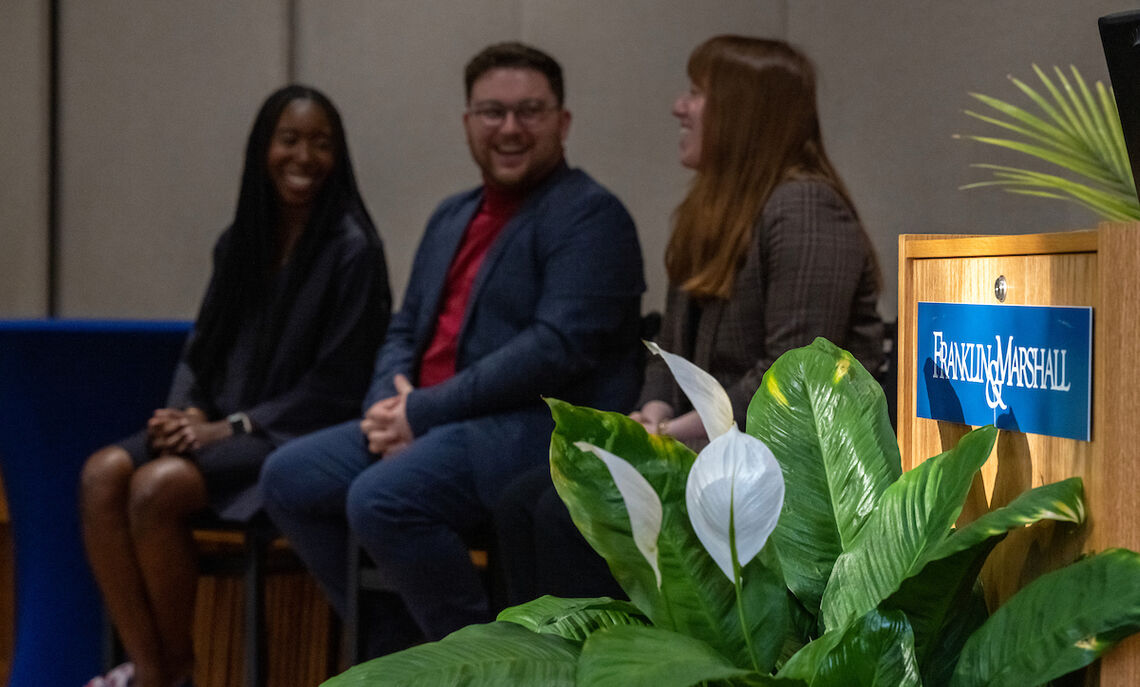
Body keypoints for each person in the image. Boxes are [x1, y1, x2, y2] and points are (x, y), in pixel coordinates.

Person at [258, 42, 645, 656]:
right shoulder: (451, 214)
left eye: (530, 111)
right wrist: (389, 405)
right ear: (467, 123)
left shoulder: (590, 216)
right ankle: (401, 652)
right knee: (288, 476)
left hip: (528, 424)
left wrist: (422, 413)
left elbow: (554, 349)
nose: (510, 128)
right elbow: (404, 328)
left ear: (563, 122)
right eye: (492, 112)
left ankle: (480, 660)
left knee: (383, 497)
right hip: (429, 420)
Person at [494, 35, 883, 605]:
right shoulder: (712, 208)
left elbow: (793, 378)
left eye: (698, 93)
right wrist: (653, 409)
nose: (680, 106)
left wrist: (670, 435)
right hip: (707, 448)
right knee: (519, 501)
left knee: (563, 514)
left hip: (783, 472)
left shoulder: (803, 209)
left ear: (746, 113)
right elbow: (669, 349)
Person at [79, 85, 391, 687]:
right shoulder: (239, 241)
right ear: (263, 149)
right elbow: (204, 349)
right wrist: (183, 412)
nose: (304, 156)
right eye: (290, 139)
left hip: (289, 439)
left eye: (321, 144)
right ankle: (151, 670)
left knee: (154, 489)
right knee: (100, 475)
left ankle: (176, 670)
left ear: (339, 156)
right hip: (217, 427)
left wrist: (232, 427)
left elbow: (337, 386)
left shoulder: (354, 251)